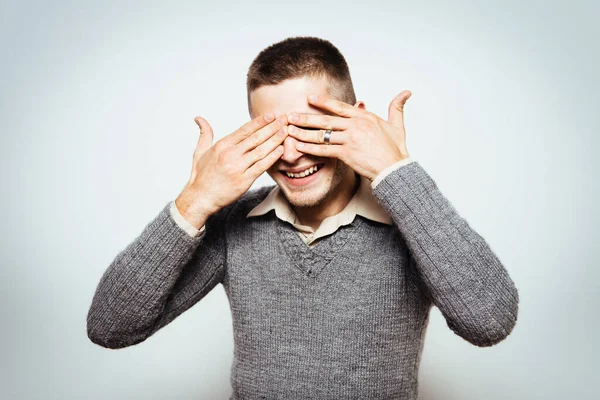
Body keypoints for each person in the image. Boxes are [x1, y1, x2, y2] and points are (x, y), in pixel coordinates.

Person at [87, 36, 519, 399]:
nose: (292, 155)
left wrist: (395, 172)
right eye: (274, 134)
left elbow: (490, 321)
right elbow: (111, 327)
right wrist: (195, 200)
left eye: (311, 129)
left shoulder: (410, 216)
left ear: (358, 118)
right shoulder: (234, 221)